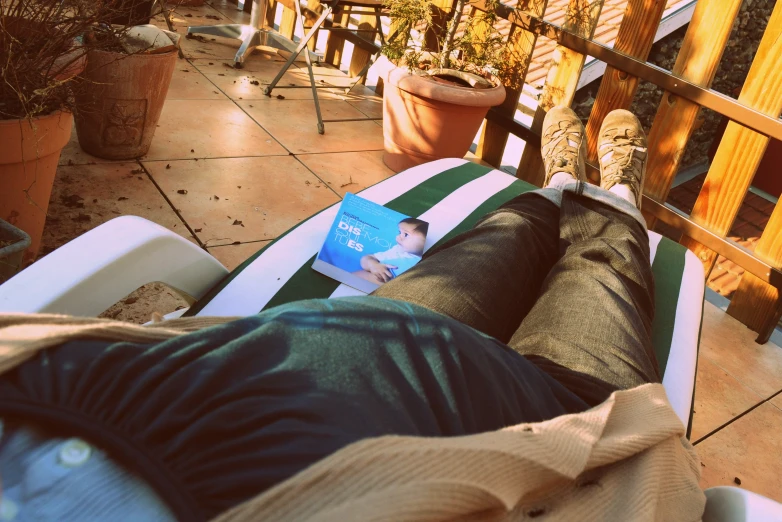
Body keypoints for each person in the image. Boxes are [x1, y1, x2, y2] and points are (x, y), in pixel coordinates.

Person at [0, 106, 702, 521]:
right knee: (602, 266)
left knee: (509, 230)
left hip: (373, 326)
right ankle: (615, 198)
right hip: (557, 412)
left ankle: (554, 186)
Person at [357, 217, 429, 283]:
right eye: (399, 232)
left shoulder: (429, 263)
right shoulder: (398, 250)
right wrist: (373, 265)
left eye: (406, 234)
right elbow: (367, 258)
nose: (398, 237)